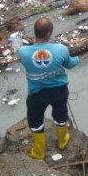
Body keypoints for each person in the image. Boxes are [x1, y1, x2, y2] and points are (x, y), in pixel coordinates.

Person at [17, 17, 80, 160]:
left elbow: (26, 61)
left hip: (36, 94)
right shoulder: (61, 49)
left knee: (35, 120)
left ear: (35, 33)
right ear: (49, 33)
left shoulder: (23, 52)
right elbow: (70, 64)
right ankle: (62, 141)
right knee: (60, 114)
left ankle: (39, 152)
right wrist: (78, 59)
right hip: (59, 91)